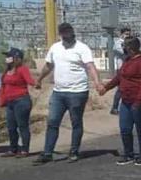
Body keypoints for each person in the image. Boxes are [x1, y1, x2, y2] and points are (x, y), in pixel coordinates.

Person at [34, 23, 102, 164]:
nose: (65, 35)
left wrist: (97, 82)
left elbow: (90, 66)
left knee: (76, 122)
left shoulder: (82, 48)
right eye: (62, 33)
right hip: (58, 92)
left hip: (77, 92)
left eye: (67, 32)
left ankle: (74, 151)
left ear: (72, 32)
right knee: (52, 121)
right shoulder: (55, 48)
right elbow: (49, 66)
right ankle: (47, 152)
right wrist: (39, 79)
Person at [99, 37, 141, 166]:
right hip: (126, 101)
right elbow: (119, 77)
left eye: (125, 46)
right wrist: (106, 88)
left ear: (131, 48)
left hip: (140, 101)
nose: (123, 48)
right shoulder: (127, 60)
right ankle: (128, 154)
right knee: (125, 129)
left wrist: (138, 102)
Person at [0, 48, 35, 157]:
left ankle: (24, 149)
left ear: (17, 58)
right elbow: (4, 85)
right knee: (11, 126)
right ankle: (13, 149)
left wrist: (36, 84)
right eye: (7, 56)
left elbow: (29, 80)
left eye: (10, 56)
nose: (7, 58)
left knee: (22, 125)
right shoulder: (6, 71)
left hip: (21, 101)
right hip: (10, 102)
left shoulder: (22, 69)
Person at [110, 27, 132, 115]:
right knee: (121, 88)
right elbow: (125, 53)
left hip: (130, 68)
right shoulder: (118, 43)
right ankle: (114, 108)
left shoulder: (129, 43)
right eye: (126, 34)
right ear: (121, 34)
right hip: (121, 68)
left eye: (129, 34)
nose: (128, 35)